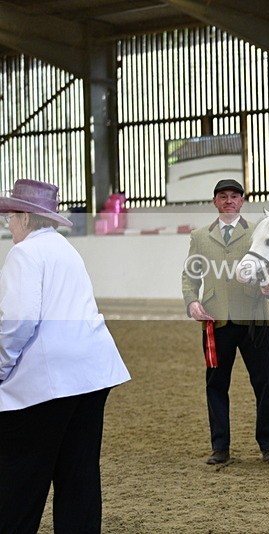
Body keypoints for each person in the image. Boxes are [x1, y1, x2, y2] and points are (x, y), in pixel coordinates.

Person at [0, 179, 131, 533]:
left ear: (26, 218)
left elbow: (19, 320)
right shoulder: (65, 249)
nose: (8, 224)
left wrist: (0, 368)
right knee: (78, 476)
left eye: (11, 217)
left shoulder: (24, 253)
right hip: (92, 376)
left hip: (50, 382)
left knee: (20, 480)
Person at [181, 178, 269, 465]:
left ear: (242, 200)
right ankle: (220, 447)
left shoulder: (257, 232)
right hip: (217, 320)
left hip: (255, 318)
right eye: (223, 196)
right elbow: (190, 275)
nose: (229, 200)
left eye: (234, 196)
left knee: (264, 383)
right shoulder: (200, 236)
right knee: (216, 384)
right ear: (215, 201)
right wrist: (192, 301)